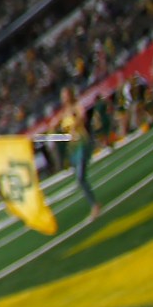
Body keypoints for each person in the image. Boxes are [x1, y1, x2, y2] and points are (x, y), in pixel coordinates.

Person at [60, 89, 105, 220]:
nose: (64, 98)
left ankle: (94, 205)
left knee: (80, 177)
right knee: (81, 179)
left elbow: (83, 116)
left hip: (82, 144)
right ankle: (94, 203)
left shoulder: (75, 108)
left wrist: (75, 125)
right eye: (62, 96)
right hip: (73, 148)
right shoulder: (64, 113)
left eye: (65, 95)